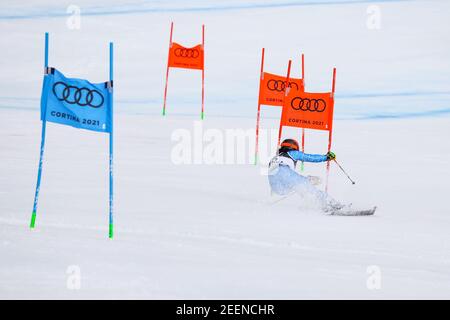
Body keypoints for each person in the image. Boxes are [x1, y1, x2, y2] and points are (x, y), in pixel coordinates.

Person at [268, 138, 342, 212]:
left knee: (302, 188)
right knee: (309, 189)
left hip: (275, 183)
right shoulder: (292, 153)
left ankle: (310, 188)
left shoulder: (275, 157)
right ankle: (334, 205)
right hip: (285, 172)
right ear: (293, 147)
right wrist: (326, 157)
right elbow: (309, 157)